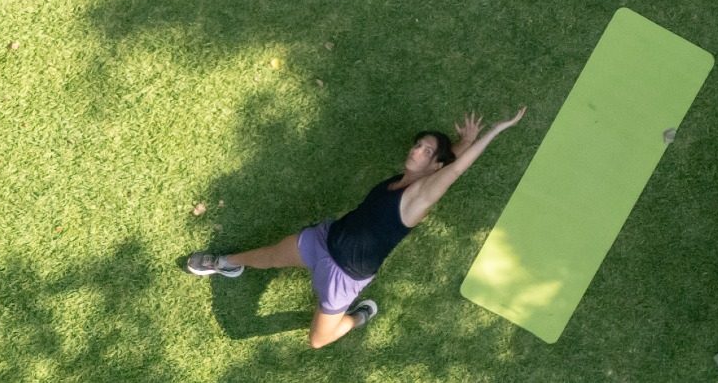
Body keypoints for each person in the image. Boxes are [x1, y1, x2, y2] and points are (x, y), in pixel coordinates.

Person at [185, 107, 526, 347]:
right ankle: (225, 264)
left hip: (345, 275)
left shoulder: (418, 198)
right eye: (418, 144)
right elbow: (447, 160)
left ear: (434, 166)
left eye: (426, 151)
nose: (416, 150)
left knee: (318, 340)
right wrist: (463, 140)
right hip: (325, 238)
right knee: (270, 255)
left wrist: (497, 130)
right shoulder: (408, 177)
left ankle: (358, 317)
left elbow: (453, 170)